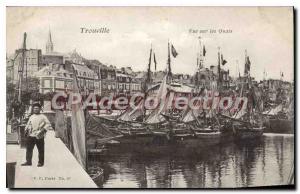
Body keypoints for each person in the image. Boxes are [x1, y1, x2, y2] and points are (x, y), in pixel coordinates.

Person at [21, 102, 52, 167]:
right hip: (31, 136)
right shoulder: (31, 116)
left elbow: (48, 124)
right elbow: (28, 124)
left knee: (41, 150)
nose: (35, 109)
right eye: (34, 108)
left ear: (40, 109)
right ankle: (28, 162)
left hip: (39, 136)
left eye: (37, 108)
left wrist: (43, 130)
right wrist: (26, 130)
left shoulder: (43, 116)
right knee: (29, 149)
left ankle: (40, 162)